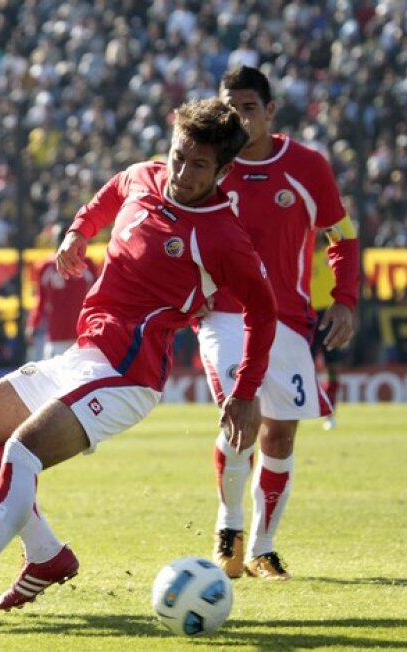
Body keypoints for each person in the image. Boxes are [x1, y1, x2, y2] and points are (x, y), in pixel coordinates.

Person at [0, 97, 278, 624]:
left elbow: (264, 310)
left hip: (128, 376)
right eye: (178, 155)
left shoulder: (221, 235)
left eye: (198, 165)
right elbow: (112, 193)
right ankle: (48, 555)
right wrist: (79, 232)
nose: (181, 172)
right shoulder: (144, 177)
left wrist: (245, 392)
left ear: (224, 171)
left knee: (22, 453)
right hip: (82, 357)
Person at [199, 66, 359, 581]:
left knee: (281, 436)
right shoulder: (209, 165)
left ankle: (263, 548)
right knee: (239, 415)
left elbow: (343, 236)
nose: (239, 118)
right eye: (231, 108)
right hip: (223, 314)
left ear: (270, 111)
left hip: (287, 319)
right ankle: (229, 526)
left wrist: (345, 298)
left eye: (249, 108)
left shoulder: (308, 167)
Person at [25, 225, 99, 359]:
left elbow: (98, 297)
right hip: (56, 335)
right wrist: (33, 323)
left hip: (82, 333)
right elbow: (41, 299)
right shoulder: (45, 266)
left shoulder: (87, 264)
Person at [309, 232, 344, 430]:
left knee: (333, 366)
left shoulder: (331, 253)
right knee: (306, 366)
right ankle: (305, 406)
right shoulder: (301, 254)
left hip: (330, 315)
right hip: (308, 316)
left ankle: (330, 410)